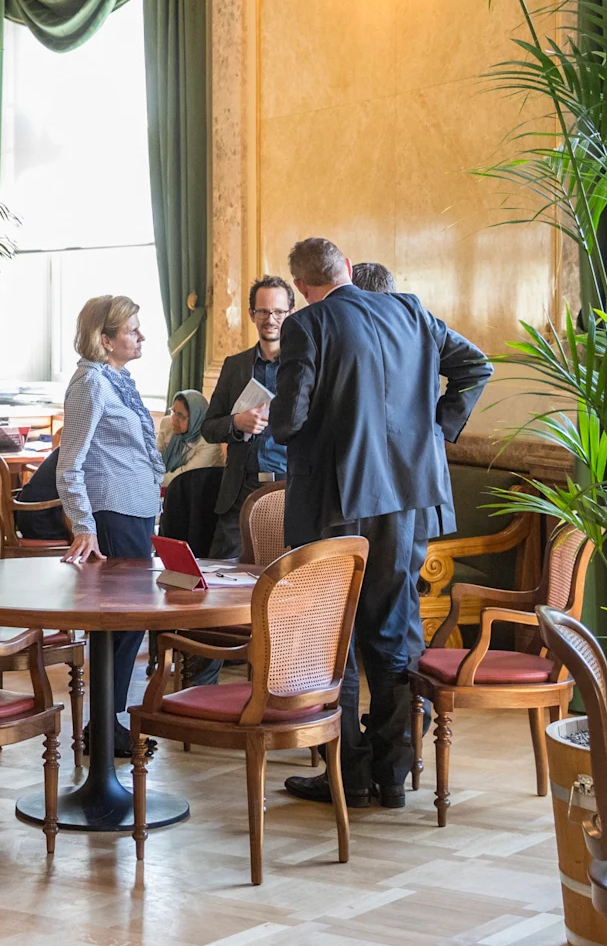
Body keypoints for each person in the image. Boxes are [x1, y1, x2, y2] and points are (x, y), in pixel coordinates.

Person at [269, 236, 492, 810]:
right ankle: (393, 772)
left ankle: (344, 774)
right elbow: (476, 366)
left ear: (301, 287)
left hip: (336, 502)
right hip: (410, 499)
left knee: (334, 634)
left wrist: (280, 420)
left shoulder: (310, 324)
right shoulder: (412, 313)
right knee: (394, 628)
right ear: (347, 267)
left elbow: (290, 421)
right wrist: (437, 432)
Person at [56, 294, 164, 758]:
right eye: (132, 330)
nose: (141, 336)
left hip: (137, 510)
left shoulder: (119, 379)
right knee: (121, 627)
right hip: (112, 514)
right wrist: (84, 525)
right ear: (105, 339)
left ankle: (106, 722)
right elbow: (69, 464)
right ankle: (102, 726)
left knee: (131, 626)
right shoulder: (90, 384)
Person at [202, 275, 296, 559]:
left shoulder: (304, 365)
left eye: (278, 311)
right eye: (263, 311)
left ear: (290, 313)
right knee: (222, 578)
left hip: (290, 487)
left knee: (287, 579)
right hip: (240, 490)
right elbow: (208, 428)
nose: (270, 318)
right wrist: (236, 424)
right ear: (251, 314)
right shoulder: (234, 366)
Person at [157, 390, 219, 487]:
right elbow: (155, 456)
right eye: (173, 412)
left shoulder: (210, 442)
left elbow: (184, 476)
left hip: (199, 490)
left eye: (180, 416)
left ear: (196, 417)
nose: (174, 420)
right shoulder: (167, 424)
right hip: (168, 485)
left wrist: (150, 481)